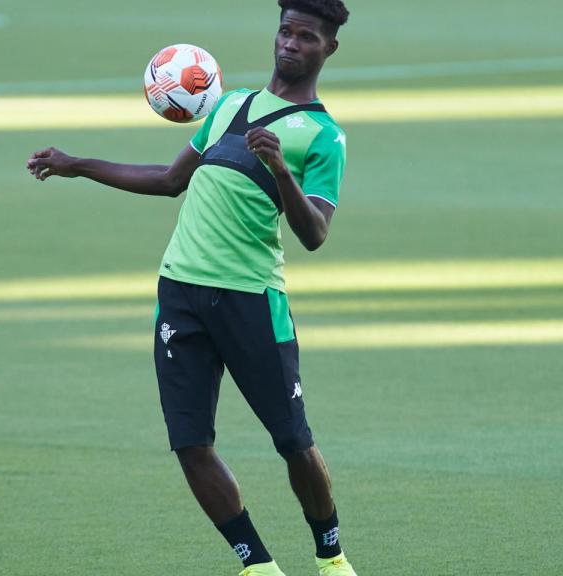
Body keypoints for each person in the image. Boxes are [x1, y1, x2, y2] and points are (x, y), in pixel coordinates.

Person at [26, 1, 355, 574]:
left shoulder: (324, 136)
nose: (290, 44)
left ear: (328, 48)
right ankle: (258, 565)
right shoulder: (230, 104)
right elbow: (169, 179)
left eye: (306, 37)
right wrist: (76, 164)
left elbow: (316, 234)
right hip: (180, 293)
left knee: (293, 441)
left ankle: (331, 558)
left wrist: (280, 170)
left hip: (252, 299)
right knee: (190, 444)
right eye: (285, 31)